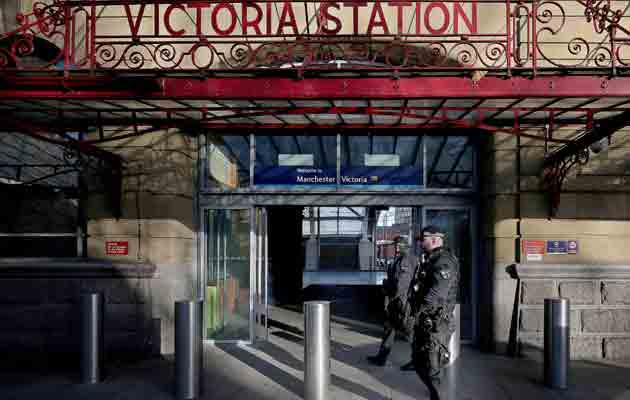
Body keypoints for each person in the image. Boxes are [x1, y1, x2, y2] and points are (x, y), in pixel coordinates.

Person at [410, 226, 460, 400]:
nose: (421, 242)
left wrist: (420, 310)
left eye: (423, 239)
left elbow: (437, 293)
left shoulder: (444, 261)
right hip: (426, 319)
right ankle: (434, 391)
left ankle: (439, 395)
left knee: (433, 366)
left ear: (434, 239)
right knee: (418, 361)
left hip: (437, 321)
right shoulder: (431, 260)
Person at [367, 236, 416, 370]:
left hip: (401, 301)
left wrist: (389, 291)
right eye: (396, 244)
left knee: (409, 331)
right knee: (389, 329)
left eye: (399, 244)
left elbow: (401, 285)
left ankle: (418, 361)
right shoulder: (400, 258)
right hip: (395, 301)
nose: (396, 247)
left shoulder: (406, 259)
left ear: (405, 246)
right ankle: (381, 357)